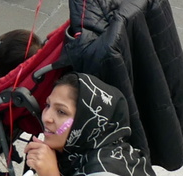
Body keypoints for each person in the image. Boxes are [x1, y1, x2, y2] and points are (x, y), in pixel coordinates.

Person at [22, 75, 152, 176]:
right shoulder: (72, 156)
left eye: (61, 112)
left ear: (86, 121)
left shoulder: (106, 169)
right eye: (47, 105)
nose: (46, 118)